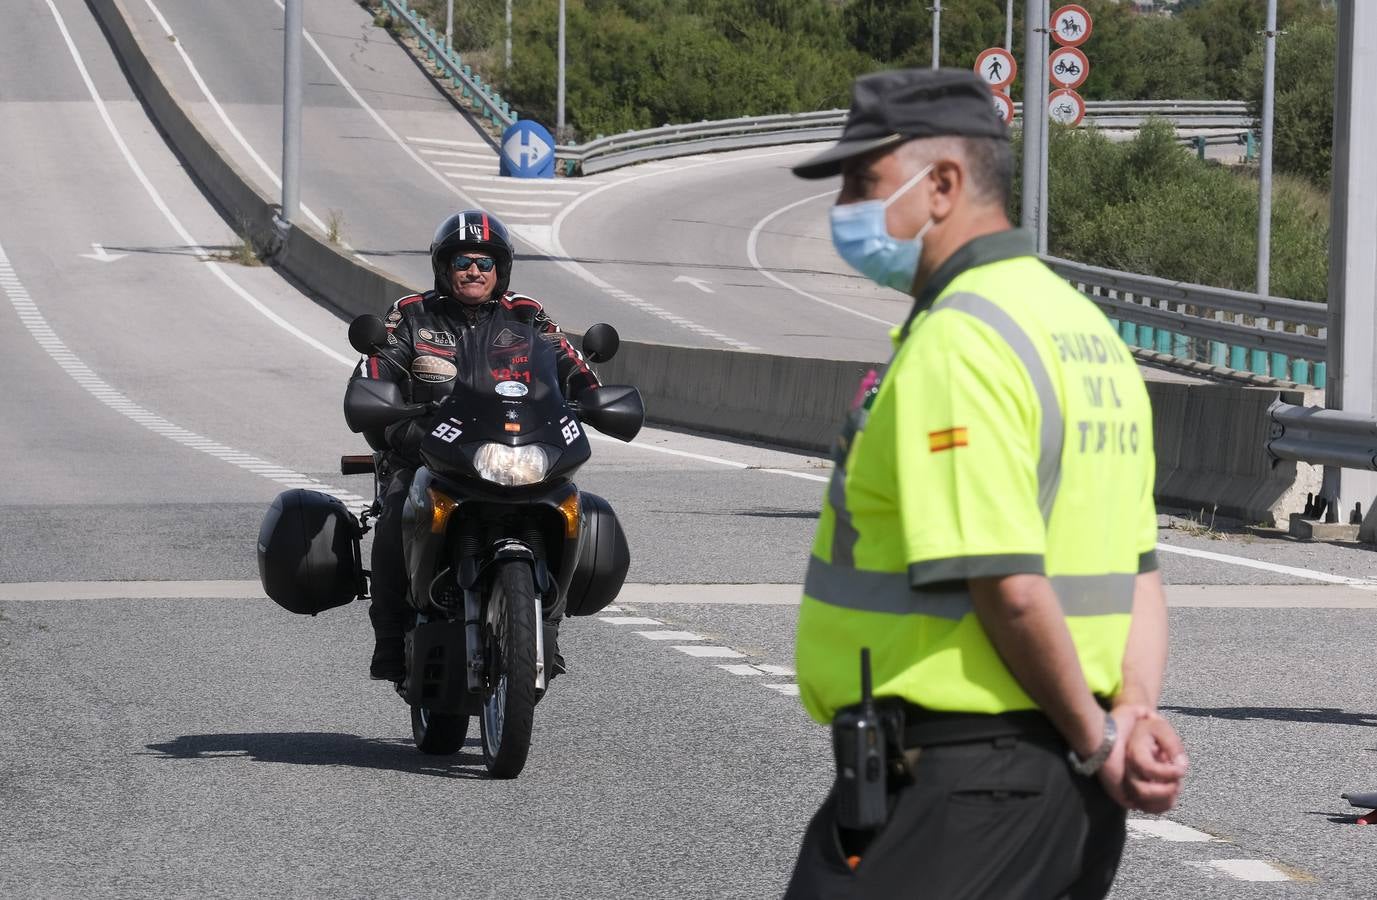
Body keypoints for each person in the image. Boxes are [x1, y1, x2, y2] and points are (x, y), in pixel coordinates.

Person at [783, 69, 1189, 899]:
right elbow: (1136, 569)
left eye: (864, 182)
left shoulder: (961, 339)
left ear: (941, 185)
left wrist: (1095, 737)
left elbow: (1006, 583)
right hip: (1058, 791)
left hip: (964, 783)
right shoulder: (1084, 332)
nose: (845, 210)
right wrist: (1130, 713)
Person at [350, 210, 600, 681]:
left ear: (500, 270)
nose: (474, 271)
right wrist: (381, 408)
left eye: (485, 263)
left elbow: (570, 364)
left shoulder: (525, 314)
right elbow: (375, 369)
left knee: (572, 506)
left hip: (514, 446)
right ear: (445, 267)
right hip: (426, 451)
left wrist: (594, 397)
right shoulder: (412, 315)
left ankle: (547, 626)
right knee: (397, 512)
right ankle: (388, 637)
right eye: (463, 261)